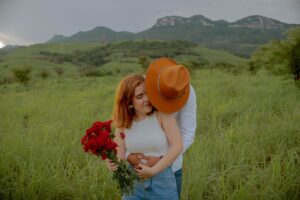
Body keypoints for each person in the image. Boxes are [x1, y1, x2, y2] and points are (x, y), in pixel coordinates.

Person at [107, 73, 185, 199]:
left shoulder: (162, 114)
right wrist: (112, 164)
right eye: (139, 96)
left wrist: (153, 171)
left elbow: (177, 146)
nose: (147, 99)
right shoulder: (123, 124)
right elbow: (119, 158)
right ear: (129, 103)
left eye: (147, 93)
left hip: (162, 180)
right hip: (133, 183)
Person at [127, 57, 197, 198]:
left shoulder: (186, 91)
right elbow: (127, 127)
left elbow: (188, 133)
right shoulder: (141, 86)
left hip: (171, 167)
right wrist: (127, 155)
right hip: (137, 167)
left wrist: (162, 160)